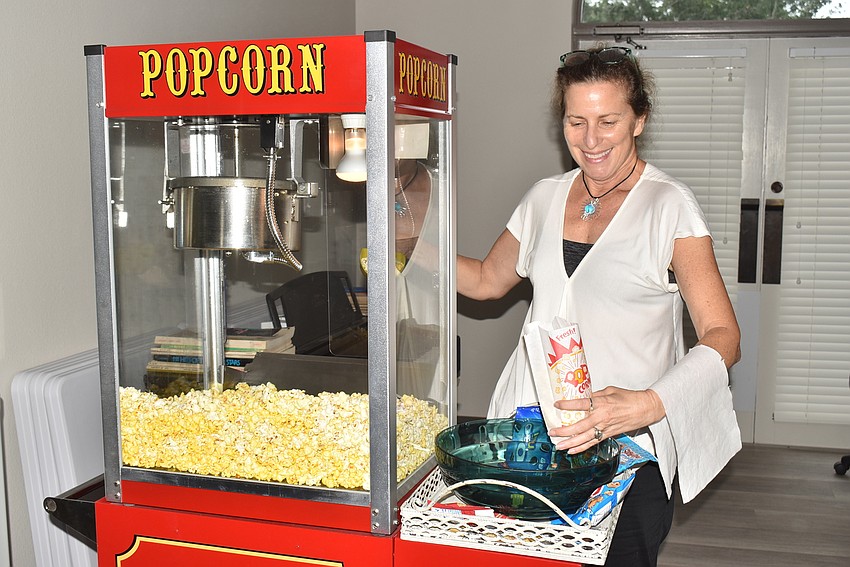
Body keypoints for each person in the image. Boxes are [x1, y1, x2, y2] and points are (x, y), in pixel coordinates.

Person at [457, 45, 742, 567]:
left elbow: (723, 334)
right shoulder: (543, 197)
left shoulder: (669, 206)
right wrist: (404, 246)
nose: (590, 141)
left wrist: (649, 403)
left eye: (608, 121)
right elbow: (483, 280)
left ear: (639, 120)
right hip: (530, 442)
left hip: (628, 450)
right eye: (576, 122)